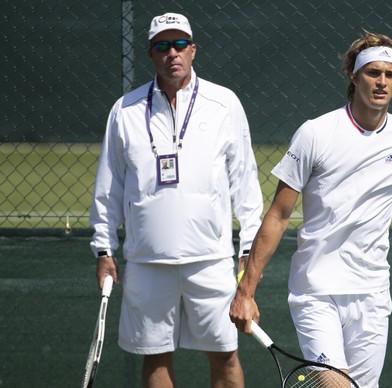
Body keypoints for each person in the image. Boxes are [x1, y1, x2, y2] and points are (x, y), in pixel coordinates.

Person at [229, 31, 392, 387]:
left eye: (390, 75)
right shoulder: (315, 134)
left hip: (372, 291)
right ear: (354, 75)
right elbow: (278, 215)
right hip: (315, 290)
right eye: (373, 73)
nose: (381, 82)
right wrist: (246, 290)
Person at [89, 12, 263, 387]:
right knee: (155, 359)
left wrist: (248, 251)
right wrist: (103, 251)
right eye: (163, 45)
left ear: (193, 50)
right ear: (151, 53)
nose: (173, 53)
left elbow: (245, 183)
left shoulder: (224, 104)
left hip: (212, 260)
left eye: (180, 44)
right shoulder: (124, 110)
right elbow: (108, 189)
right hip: (147, 261)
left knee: (226, 356)